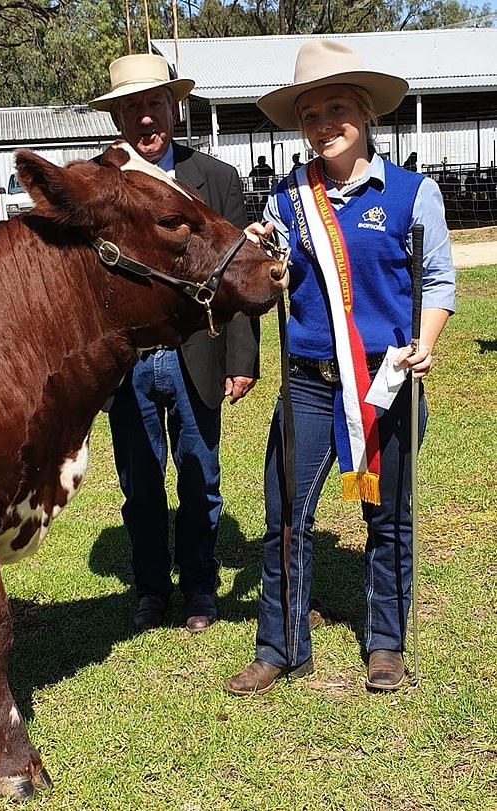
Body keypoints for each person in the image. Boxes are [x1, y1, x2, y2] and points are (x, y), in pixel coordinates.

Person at [225, 39, 455, 695]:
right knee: (286, 517)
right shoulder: (288, 199)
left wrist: (426, 341)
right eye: (310, 115)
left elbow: (437, 282)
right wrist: (257, 250)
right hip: (307, 386)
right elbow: (268, 267)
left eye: (335, 110)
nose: (323, 125)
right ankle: (281, 646)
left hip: (386, 384)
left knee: (385, 516)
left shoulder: (415, 194)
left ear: (364, 115)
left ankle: (385, 645)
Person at [88, 53, 260, 633]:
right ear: (116, 117)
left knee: (200, 478)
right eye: (131, 108)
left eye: (153, 105)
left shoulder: (217, 180)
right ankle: (150, 591)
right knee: (140, 487)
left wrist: (242, 358)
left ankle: (201, 590)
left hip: (199, 354)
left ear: (173, 106)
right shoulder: (97, 186)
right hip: (128, 363)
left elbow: (235, 274)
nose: (145, 120)